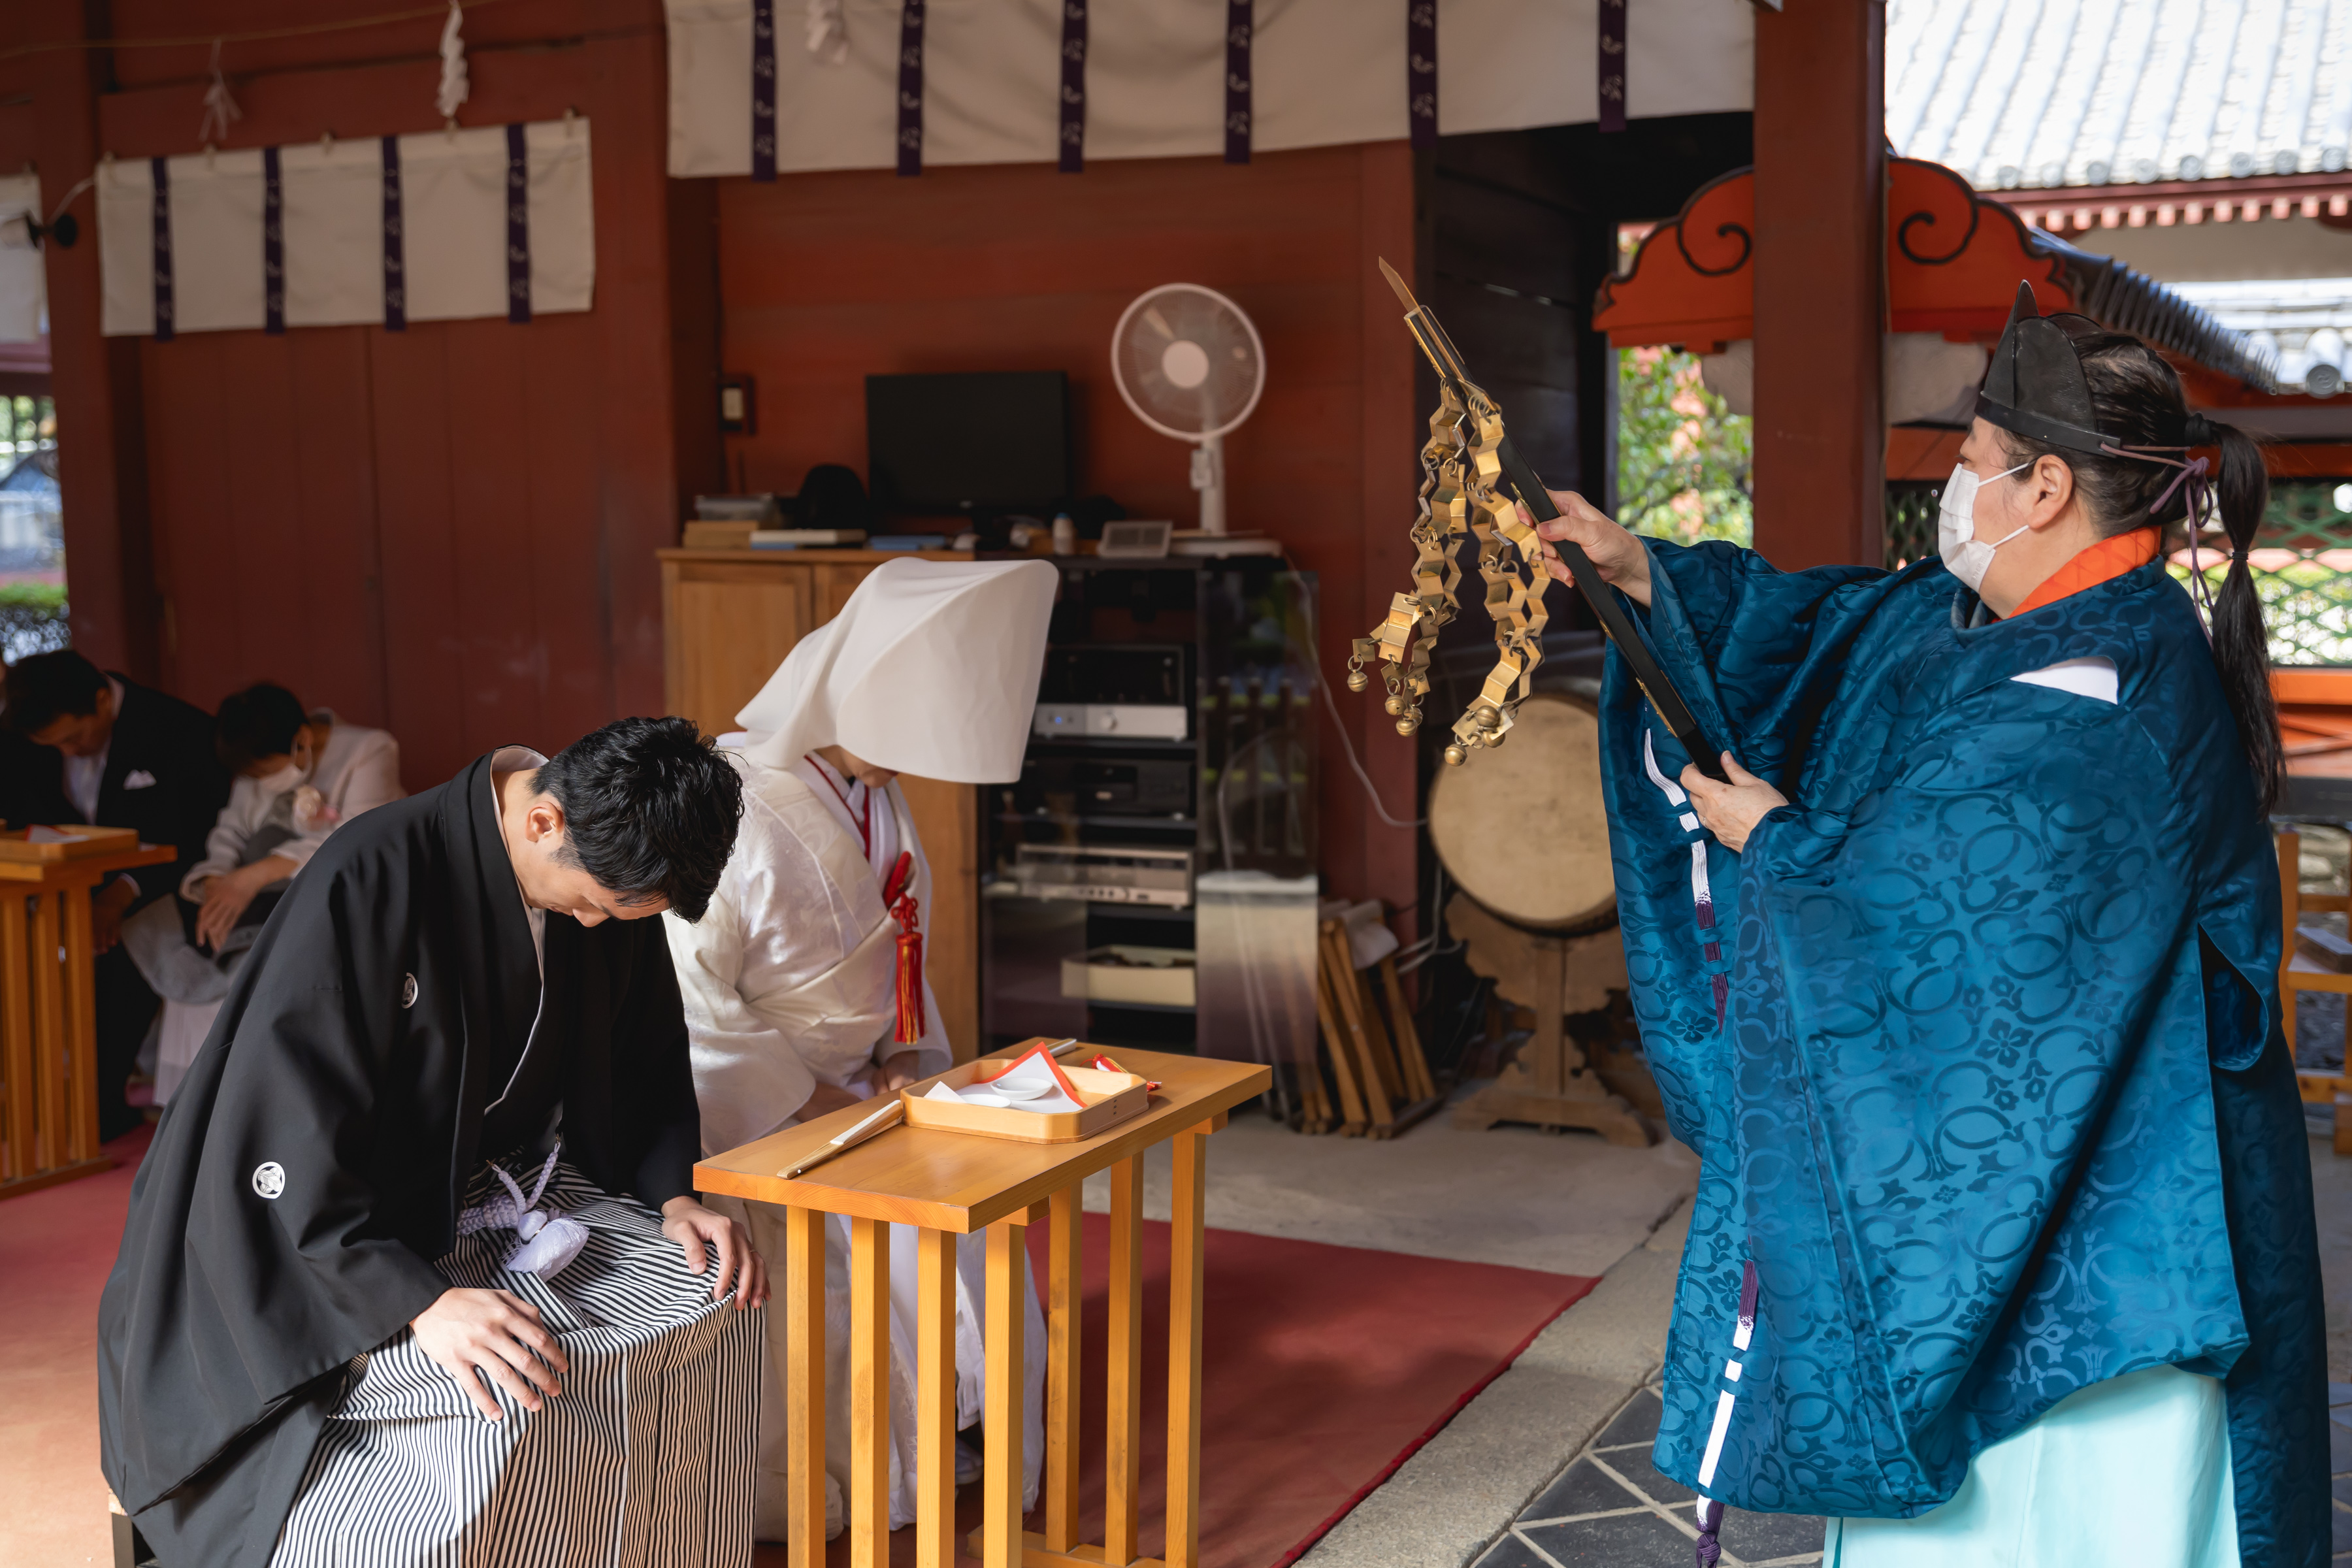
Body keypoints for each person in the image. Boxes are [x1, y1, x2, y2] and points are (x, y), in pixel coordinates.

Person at [1534, 285, 2325, 1565]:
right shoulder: (2015, 618)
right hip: (2057, 1162)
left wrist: (1780, 850)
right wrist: (1650, 578)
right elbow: (1829, 629)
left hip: (2116, 1206)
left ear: (2048, 488)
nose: (1953, 492)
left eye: (1967, 465)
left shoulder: (2103, 698)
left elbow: (1938, 934)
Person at [99, 718, 768, 1567]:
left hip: (492, 1191)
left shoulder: (609, 857)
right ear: (543, 822)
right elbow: (282, 1130)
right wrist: (418, 1302)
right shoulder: (368, 874)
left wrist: (674, 1194)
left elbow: (642, 1055)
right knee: (516, 1384)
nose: (599, 927)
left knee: (711, 1300)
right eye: (597, 904)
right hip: (327, 1231)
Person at [665, 556, 1058, 1539]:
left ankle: (938, 1441)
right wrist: (804, 1099)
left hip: (869, 1081)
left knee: (958, 1256)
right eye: (893, 745)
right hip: (768, 1099)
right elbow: (690, 993)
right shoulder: (730, 798)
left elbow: (903, 936)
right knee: (819, 1301)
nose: (901, 770)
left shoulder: (871, 792)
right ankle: (828, 1487)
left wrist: (900, 1052)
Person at [117, 683, 404, 1103]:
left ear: (301, 739)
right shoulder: (255, 762)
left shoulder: (369, 749)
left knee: (262, 935)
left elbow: (359, 834)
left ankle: (266, 1092)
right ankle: (194, 1097)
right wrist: (217, 879)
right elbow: (230, 829)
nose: (259, 783)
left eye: (264, 771)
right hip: (259, 889)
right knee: (185, 924)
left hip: (346, 885)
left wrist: (249, 878)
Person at [6, 648, 229, 1137]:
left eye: (74, 738)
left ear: (103, 700)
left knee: (126, 943)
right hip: (62, 887)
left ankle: (98, 1103)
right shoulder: (26, 738)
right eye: (55, 746)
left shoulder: (179, 730)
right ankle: (27, 1096)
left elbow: (196, 834)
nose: (67, 752)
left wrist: (121, 895)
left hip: (163, 889)